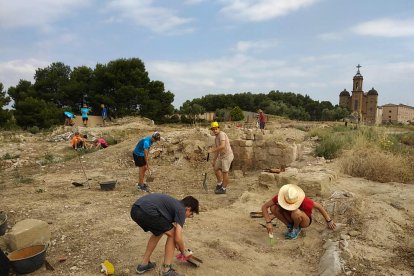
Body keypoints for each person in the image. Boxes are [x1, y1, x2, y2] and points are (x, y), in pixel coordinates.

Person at [130, 193, 199, 276]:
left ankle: (144, 264)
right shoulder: (181, 209)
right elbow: (177, 237)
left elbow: (169, 231)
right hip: (148, 211)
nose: (189, 216)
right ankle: (167, 270)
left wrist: (178, 244)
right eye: (191, 214)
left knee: (159, 232)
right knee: (172, 234)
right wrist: (184, 251)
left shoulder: (172, 205)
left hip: (135, 210)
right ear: (188, 209)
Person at [261, 184, 336, 240]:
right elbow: (264, 207)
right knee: (273, 207)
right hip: (290, 217)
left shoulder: (305, 201)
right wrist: (268, 222)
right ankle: (290, 227)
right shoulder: (282, 196)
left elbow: (319, 206)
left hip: (303, 220)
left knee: (296, 212)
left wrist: (329, 220)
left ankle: (296, 228)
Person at [208, 122, 234, 194]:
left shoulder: (222, 134)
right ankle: (220, 183)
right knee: (216, 168)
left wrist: (212, 150)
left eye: (216, 129)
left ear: (219, 128)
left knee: (225, 172)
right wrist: (214, 160)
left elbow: (222, 146)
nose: (215, 130)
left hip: (227, 156)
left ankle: (223, 188)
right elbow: (218, 150)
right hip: (222, 156)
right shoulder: (216, 138)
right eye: (213, 129)